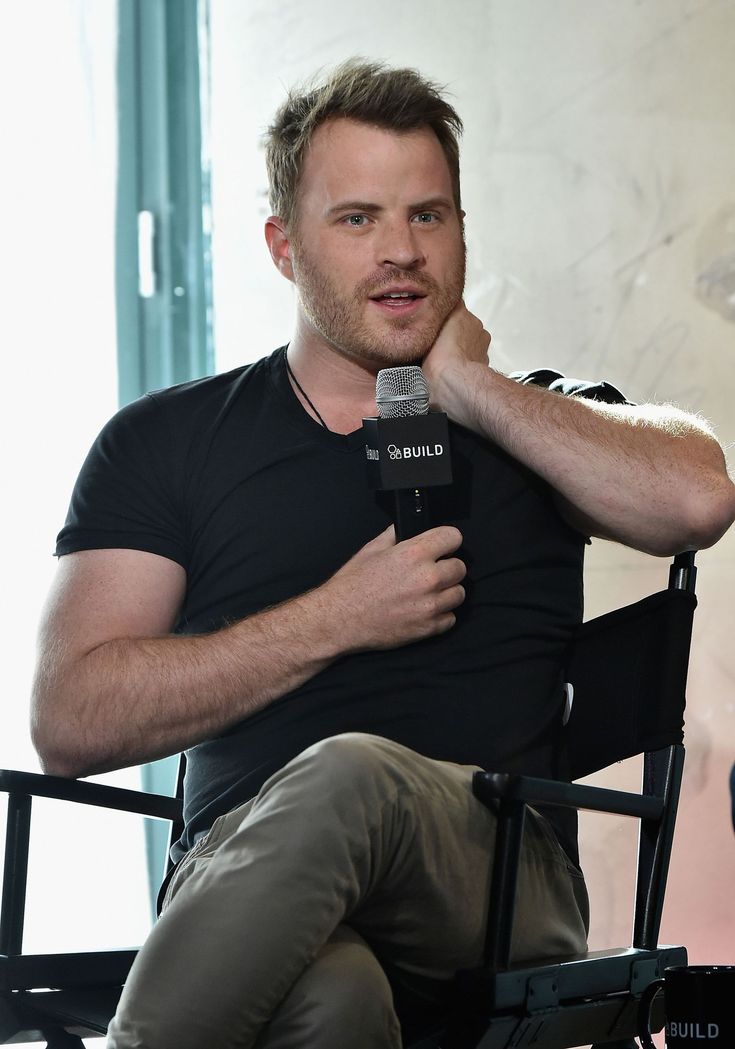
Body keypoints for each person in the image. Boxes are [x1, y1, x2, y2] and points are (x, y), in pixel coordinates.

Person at [31, 60, 735, 1049]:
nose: (401, 251)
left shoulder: (534, 420)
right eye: (357, 218)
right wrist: (336, 617)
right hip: (239, 874)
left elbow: (699, 495)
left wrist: (475, 390)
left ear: (461, 228)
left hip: (499, 885)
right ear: (283, 246)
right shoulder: (167, 442)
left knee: (353, 777)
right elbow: (71, 717)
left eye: (429, 216)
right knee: (334, 1001)